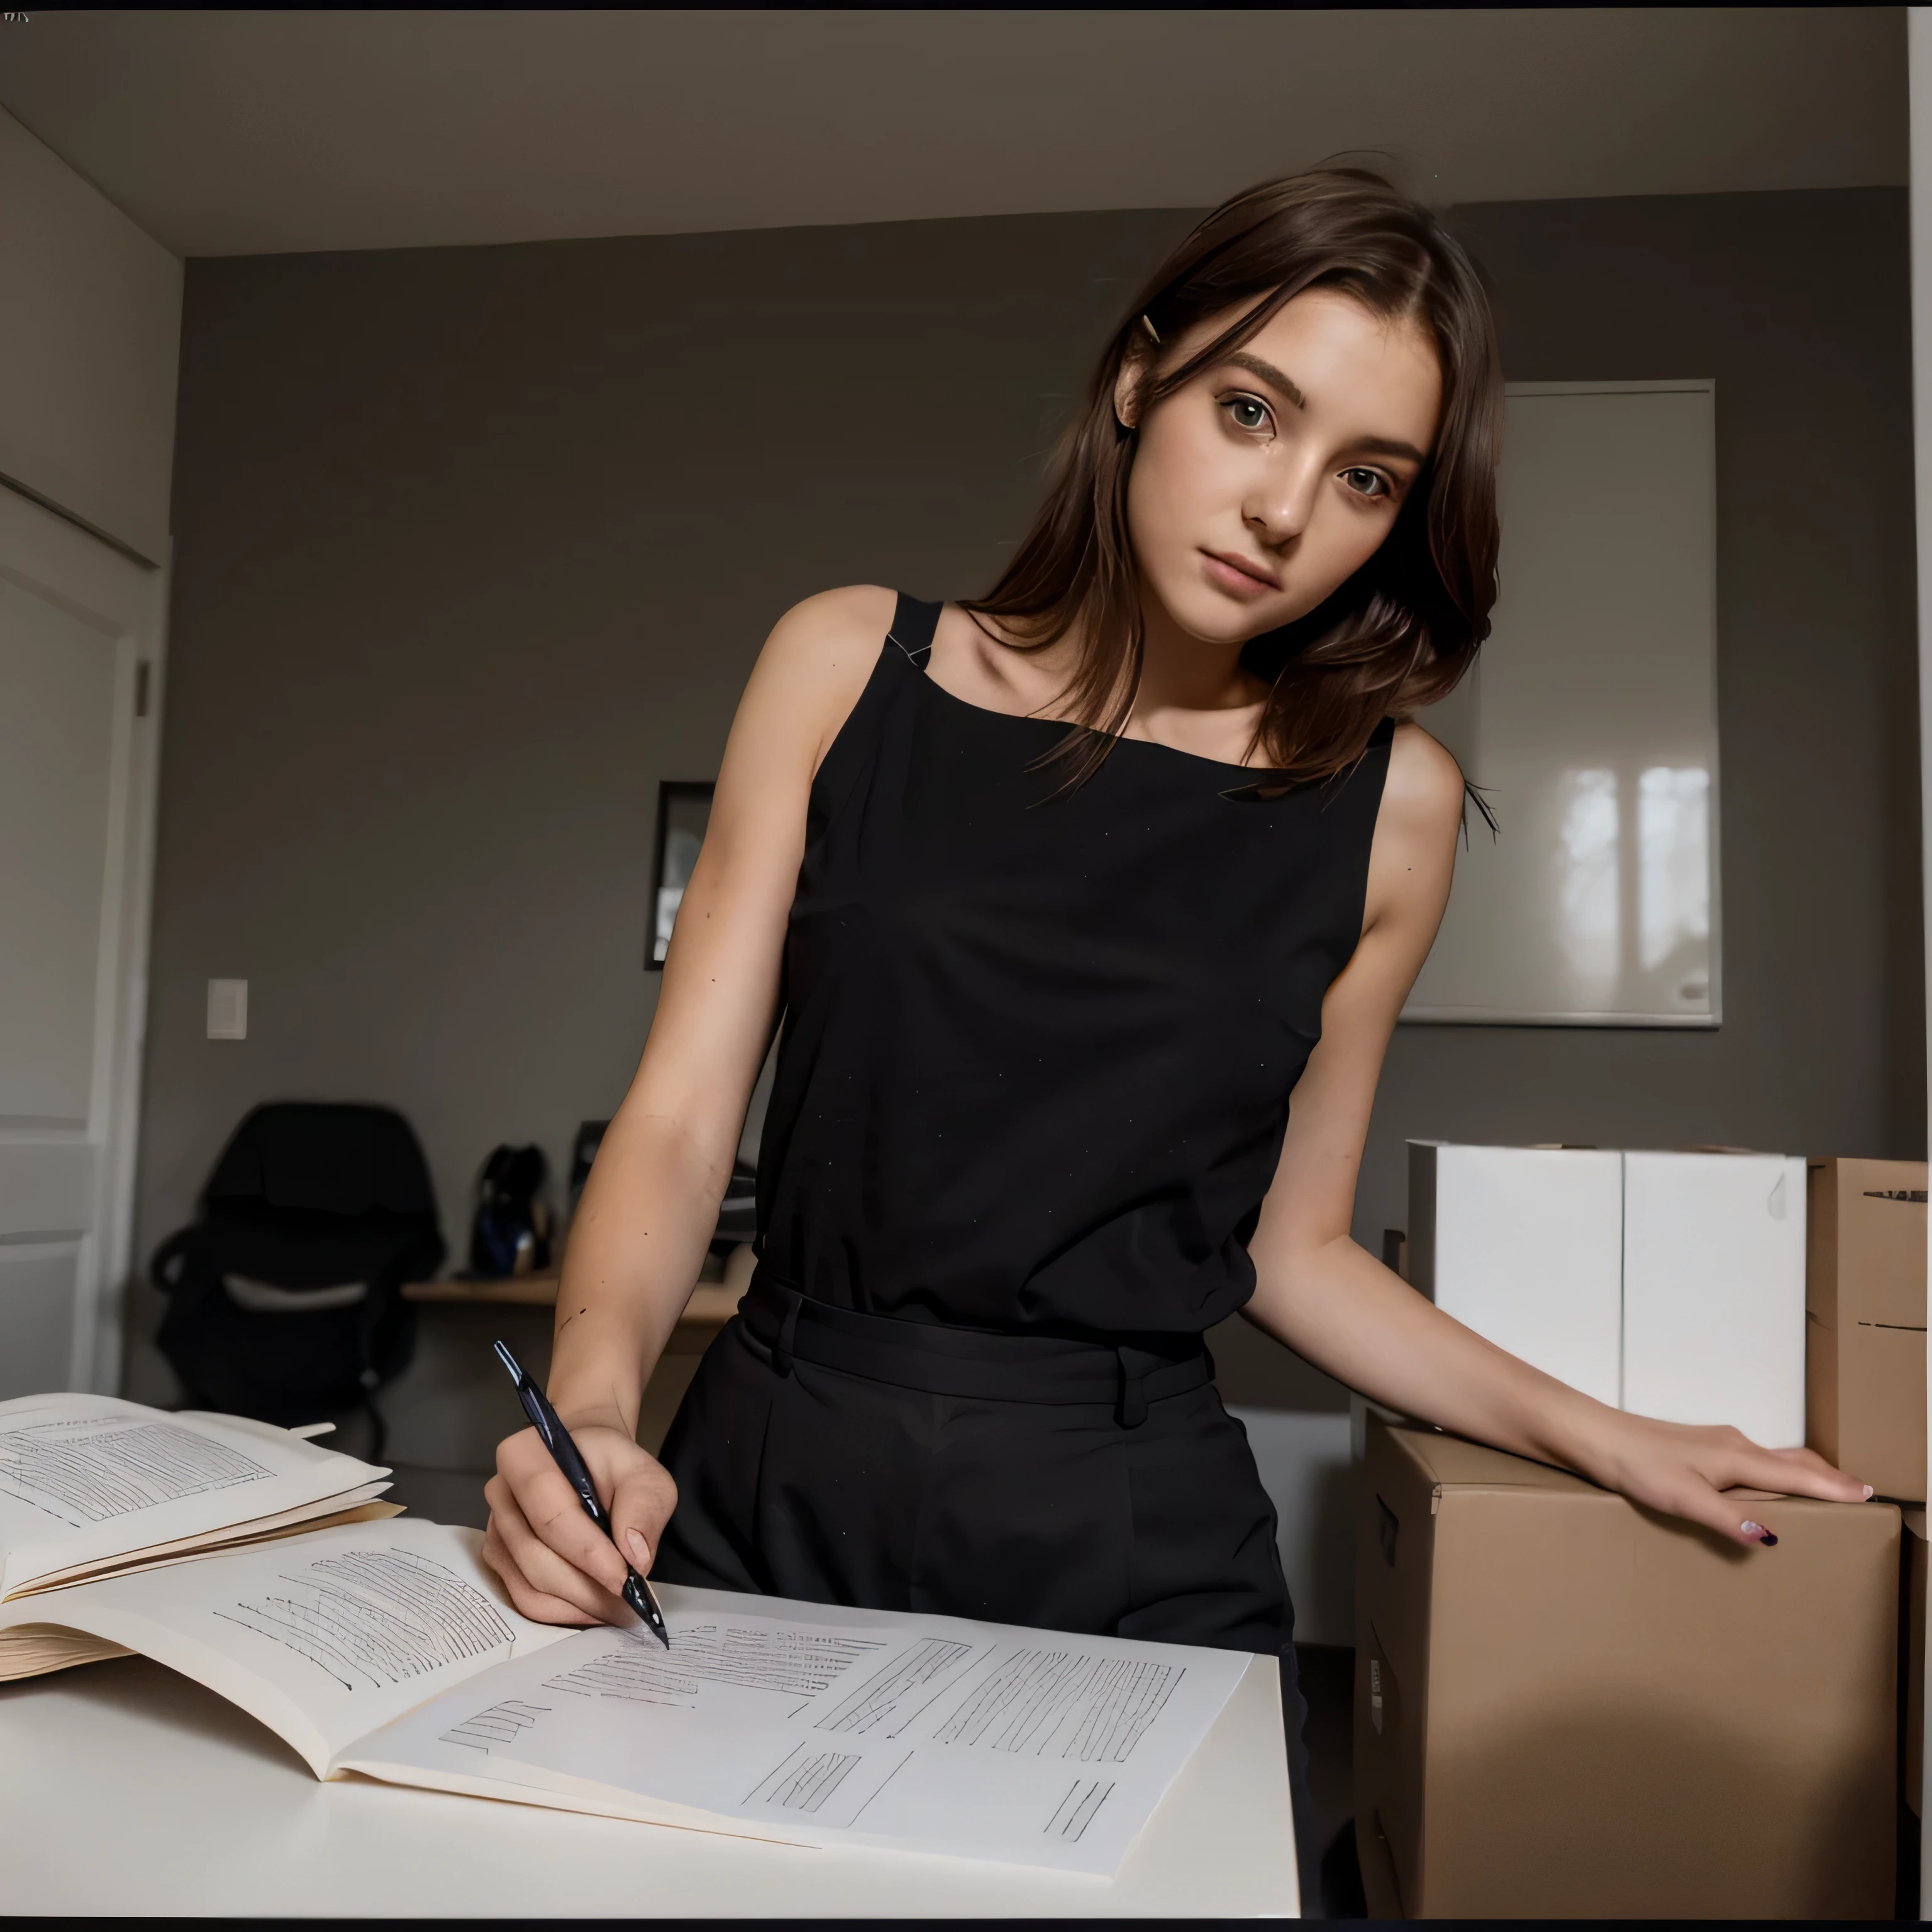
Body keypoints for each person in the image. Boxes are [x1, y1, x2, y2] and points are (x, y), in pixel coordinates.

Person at [482, 169, 1870, 1867]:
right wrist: (594, 1416)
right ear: (1137, 381)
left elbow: (1293, 1252)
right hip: (774, 1470)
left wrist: (1612, 1434)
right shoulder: (849, 663)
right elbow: (686, 1125)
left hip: (1125, 1523)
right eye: (1249, 410)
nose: (1288, 508)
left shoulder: (1393, 805)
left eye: (1365, 477)